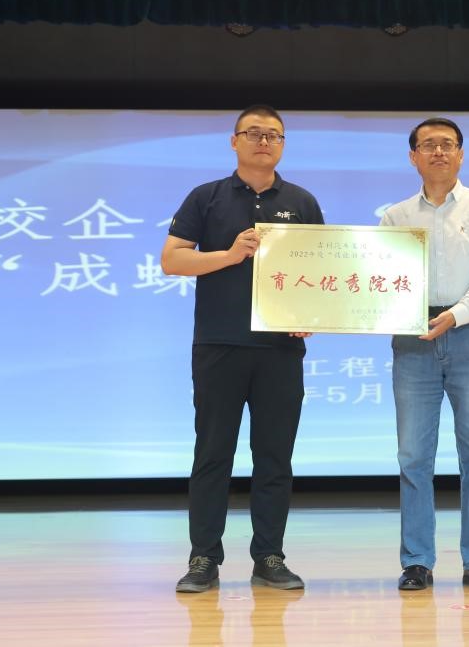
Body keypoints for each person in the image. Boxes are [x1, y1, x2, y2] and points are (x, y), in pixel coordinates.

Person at [161, 105, 324, 594]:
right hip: (219, 344)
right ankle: (203, 559)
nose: (263, 141)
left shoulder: (301, 201)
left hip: (280, 350)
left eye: (274, 135)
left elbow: (323, 272)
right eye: (253, 133)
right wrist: (230, 255)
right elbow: (172, 260)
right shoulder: (206, 197)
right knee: (213, 454)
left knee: (274, 457)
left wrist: (313, 315)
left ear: (283, 145)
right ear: (234, 141)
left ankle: (269, 557)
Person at [379, 117, 469, 592]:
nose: (438, 152)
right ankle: (417, 561)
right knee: (413, 455)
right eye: (428, 145)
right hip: (412, 335)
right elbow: (378, 279)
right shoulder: (395, 217)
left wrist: (455, 315)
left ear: (461, 154)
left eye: (447, 144)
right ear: (412, 156)